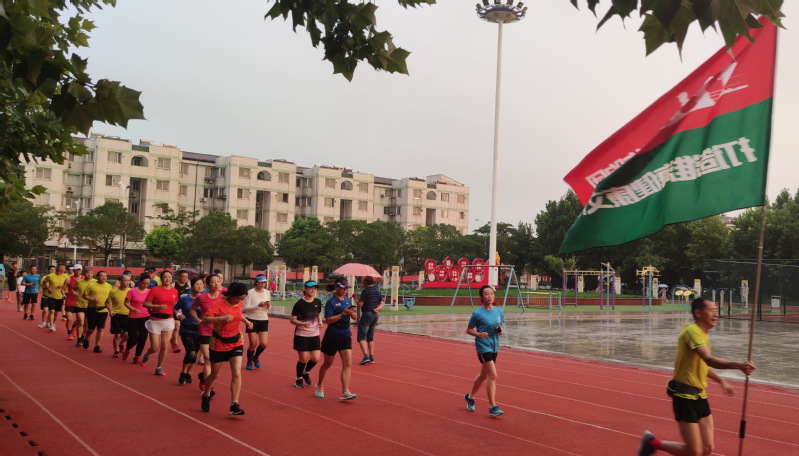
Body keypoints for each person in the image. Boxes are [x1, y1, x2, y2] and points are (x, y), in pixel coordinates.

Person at [638, 297, 756, 456]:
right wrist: (739, 365)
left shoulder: (702, 335)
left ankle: (651, 443)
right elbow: (708, 359)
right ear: (698, 313)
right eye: (711, 311)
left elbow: (702, 365)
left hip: (700, 396)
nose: (716, 314)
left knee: (707, 448)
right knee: (694, 451)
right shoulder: (692, 331)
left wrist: (721, 380)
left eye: (716, 311)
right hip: (684, 397)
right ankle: (651, 442)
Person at [200, 282, 252, 415]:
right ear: (231, 295)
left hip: (236, 341)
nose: (239, 301)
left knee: (237, 373)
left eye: (242, 299)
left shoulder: (239, 304)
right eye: (238, 298)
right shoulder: (218, 304)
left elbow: (238, 314)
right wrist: (222, 318)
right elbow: (205, 320)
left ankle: (234, 404)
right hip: (219, 342)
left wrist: (247, 321)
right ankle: (206, 394)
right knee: (214, 374)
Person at [464, 285, 505, 417]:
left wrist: (500, 331)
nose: (490, 296)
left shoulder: (499, 311)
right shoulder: (477, 313)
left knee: (483, 376)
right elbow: (469, 330)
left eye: (491, 294)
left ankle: (470, 396)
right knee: (493, 375)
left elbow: (500, 327)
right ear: (482, 297)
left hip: (494, 346)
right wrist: (478, 334)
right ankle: (493, 406)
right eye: (486, 294)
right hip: (483, 346)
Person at [315, 277, 358, 400]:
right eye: (343, 288)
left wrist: (351, 312)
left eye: (346, 288)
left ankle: (345, 390)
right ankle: (319, 385)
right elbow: (328, 320)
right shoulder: (331, 302)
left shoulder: (348, 300)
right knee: (328, 364)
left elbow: (355, 317)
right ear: (337, 287)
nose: (345, 291)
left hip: (345, 334)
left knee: (347, 364)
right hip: (332, 335)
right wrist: (342, 314)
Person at [141, 270, 179, 376]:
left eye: (169, 277)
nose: (167, 279)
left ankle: (159, 367)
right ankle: (147, 354)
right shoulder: (155, 290)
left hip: (168, 321)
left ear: (172, 279)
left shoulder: (174, 291)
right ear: (161, 279)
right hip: (155, 321)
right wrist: (157, 306)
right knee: (155, 347)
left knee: (165, 346)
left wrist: (178, 313)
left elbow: (175, 306)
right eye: (165, 277)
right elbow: (145, 304)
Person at [189, 274, 222, 390]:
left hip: (218, 332)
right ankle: (209, 388)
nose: (216, 284)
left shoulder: (223, 297)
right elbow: (191, 309)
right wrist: (197, 320)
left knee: (215, 361)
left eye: (218, 281)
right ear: (207, 284)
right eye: (213, 282)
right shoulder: (201, 297)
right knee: (208, 359)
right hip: (205, 330)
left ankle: (204, 377)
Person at [289, 280, 323, 388]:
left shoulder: (317, 301)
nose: (313, 290)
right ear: (305, 289)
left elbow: (318, 314)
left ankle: (306, 372)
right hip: (302, 335)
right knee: (303, 359)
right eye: (310, 288)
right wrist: (303, 323)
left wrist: (320, 321)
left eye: (315, 288)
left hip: (315, 334)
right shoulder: (299, 304)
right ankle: (298, 379)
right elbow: (292, 319)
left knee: (315, 358)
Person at [174, 277, 203, 385]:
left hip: (200, 330)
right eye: (197, 284)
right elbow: (175, 308)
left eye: (201, 284)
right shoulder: (185, 299)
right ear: (192, 286)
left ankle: (188, 373)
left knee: (194, 354)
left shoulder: (205, 299)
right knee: (191, 352)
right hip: (186, 329)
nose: (199, 286)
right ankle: (183, 372)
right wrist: (179, 315)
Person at [243, 274, 271, 370]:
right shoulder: (250, 293)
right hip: (252, 319)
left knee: (263, 344)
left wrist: (268, 306)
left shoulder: (267, 292)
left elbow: (269, 308)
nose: (262, 284)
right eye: (260, 282)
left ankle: (255, 357)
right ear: (256, 282)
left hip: (263, 319)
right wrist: (258, 305)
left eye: (264, 282)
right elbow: (246, 308)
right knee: (253, 344)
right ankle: (249, 362)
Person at [123, 274, 152, 364]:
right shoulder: (132, 291)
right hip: (133, 317)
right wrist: (133, 309)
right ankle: (127, 349)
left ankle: (137, 356)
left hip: (145, 317)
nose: (146, 285)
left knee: (143, 338)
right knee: (133, 338)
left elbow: (151, 303)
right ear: (140, 282)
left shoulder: (150, 292)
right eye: (144, 283)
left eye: (148, 283)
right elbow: (126, 303)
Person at [82, 271, 113, 352]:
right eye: (102, 276)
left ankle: (97, 346)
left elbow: (109, 300)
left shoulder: (109, 286)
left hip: (103, 310)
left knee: (100, 329)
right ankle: (86, 338)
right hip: (92, 309)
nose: (104, 277)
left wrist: (110, 310)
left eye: (105, 276)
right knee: (91, 329)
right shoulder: (91, 285)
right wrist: (92, 299)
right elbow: (84, 296)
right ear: (97, 277)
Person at [356, 275, 384, 365]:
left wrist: (355, 298)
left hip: (367, 313)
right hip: (375, 315)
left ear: (365, 283)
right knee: (370, 336)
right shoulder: (377, 291)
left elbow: (360, 304)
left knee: (361, 335)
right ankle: (371, 357)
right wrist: (377, 309)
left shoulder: (365, 291)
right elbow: (382, 303)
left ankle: (366, 356)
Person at [106, 274, 131, 357]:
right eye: (125, 280)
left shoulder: (131, 291)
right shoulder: (113, 291)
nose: (128, 282)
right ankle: (116, 351)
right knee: (117, 334)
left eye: (129, 280)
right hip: (117, 315)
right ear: (120, 281)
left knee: (127, 335)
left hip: (128, 315)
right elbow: (107, 302)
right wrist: (110, 310)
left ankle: (120, 344)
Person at [72, 268, 96, 347]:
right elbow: (73, 289)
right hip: (80, 304)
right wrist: (74, 293)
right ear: (84, 274)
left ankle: (83, 336)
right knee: (81, 322)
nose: (89, 275)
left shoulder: (95, 282)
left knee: (87, 324)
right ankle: (79, 339)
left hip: (90, 305)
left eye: (91, 273)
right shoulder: (79, 282)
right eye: (87, 273)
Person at [41, 264, 69, 332]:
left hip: (60, 297)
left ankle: (53, 323)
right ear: (59, 268)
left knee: (56, 312)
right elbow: (44, 283)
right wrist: (48, 288)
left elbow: (68, 284)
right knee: (52, 311)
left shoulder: (65, 276)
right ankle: (51, 325)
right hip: (51, 296)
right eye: (63, 268)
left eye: (64, 268)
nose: (64, 270)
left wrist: (62, 286)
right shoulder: (50, 276)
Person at [170, 270, 190, 354]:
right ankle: (175, 343)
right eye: (183, 276)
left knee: (181, 329)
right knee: (177, 326)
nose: (185, 278)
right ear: (179, 277)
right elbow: (170, 296)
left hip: (185, 309)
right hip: (176, 308)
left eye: (186, 277)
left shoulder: (189, 285)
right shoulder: (173, 285)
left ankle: (172, 339)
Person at [64, 265, 83, 340]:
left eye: (79, 270)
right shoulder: (68, 279)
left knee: (79, 320)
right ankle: (69, 333)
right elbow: (63, 289)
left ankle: (74, 326)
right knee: (69, 318)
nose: (77, 271)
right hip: (70, 301)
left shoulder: (84, 279)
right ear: (73, 271)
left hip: (80, 302)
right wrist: (63, 294)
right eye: (76, 270)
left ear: (81, 270)